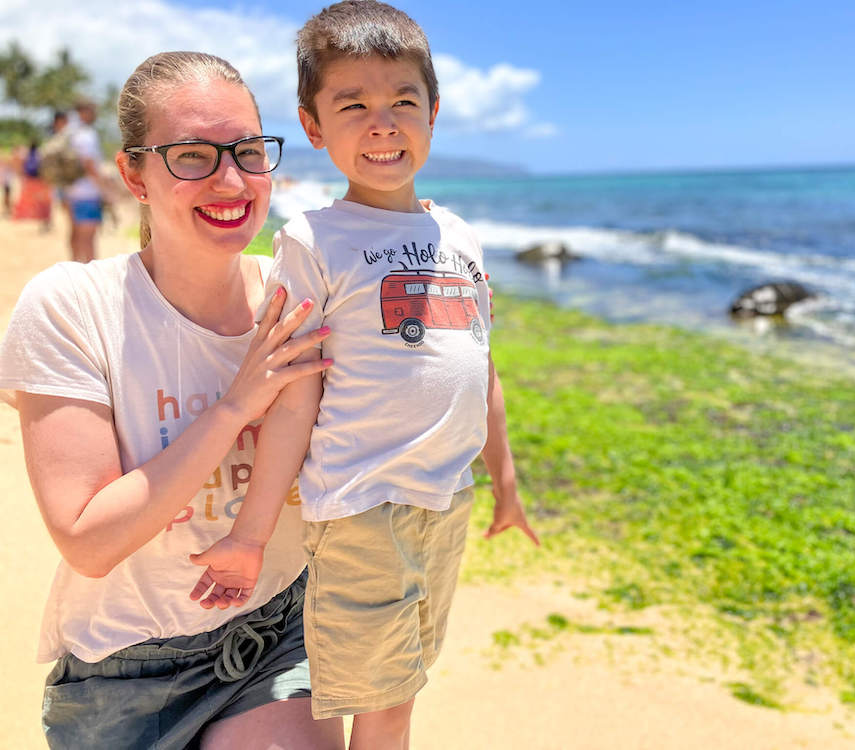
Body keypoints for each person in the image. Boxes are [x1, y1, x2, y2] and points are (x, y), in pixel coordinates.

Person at [190, 2, 540, 747]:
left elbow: (480, 371)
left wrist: (505, 484)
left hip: (447, 500)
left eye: (402, 102)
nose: (382, 123)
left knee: (404, 690)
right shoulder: (314, 240)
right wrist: (251, 534)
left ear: (434, 113)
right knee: (381, 706)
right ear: (313, 128)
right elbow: (293, 396)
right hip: (362, 508)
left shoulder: (460, 235)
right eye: (353, 105)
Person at [0, 51, 344, 749]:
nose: (230, 179)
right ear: (134, 174)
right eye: (193, 155)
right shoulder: (74, 307)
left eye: (248, 152)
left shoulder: (299, 296)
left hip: (277, 634)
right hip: (125, 676)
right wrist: (232, 408)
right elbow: (90, 540)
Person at [64, 99, 106, 262]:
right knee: (89, 237)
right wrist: (103, 187)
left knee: (75, 233)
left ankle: (74, 268)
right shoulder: (87, 134)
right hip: (87, 193)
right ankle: (89, 276)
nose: (95, 114)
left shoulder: (69, 132)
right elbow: (89, 164)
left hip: (70, 191)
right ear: (84, 112)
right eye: (92, 110)